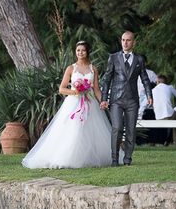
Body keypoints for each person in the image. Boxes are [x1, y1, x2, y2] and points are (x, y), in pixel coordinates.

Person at [22, 41, 113, 169]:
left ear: (87, 52)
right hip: (74, 103)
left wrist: (102, 100)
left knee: (90, 131)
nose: (80, 53)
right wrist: (74, 91)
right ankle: (69, 158)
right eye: (78, 50)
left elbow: (97, 89)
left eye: (83, 50)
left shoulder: (93, 69)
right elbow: (62, 88)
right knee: (74, 129)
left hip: (90, 102)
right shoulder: (71, 68)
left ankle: (89, 158)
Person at [100, 31, 153, 166]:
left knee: (131, 130)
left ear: (133, 42)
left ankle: (128, 159)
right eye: (123, 40)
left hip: (132, 100)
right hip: (116, 99)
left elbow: (145, 79)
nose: (125, 43)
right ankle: (114, 159)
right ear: (121, 41)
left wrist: (149, 95)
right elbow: (106, 79)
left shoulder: (139, 59)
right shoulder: (113, 58)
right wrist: (104, 98)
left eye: (128, 40)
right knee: (117, 128)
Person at [152, 75, 176, 145]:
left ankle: (171, 140)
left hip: (158, 117)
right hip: (169, 115)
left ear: (158, 81)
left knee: (175, 117)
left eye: (156, 82)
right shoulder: (169, 87)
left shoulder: (153, 90)